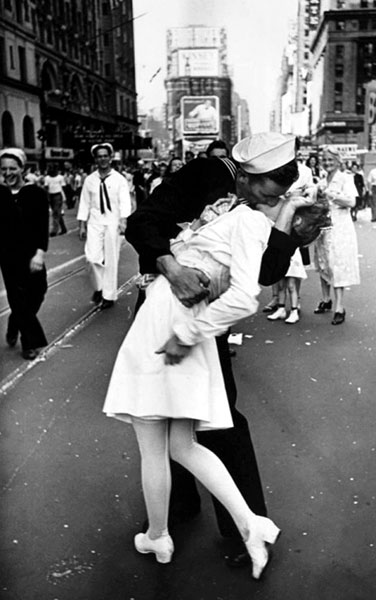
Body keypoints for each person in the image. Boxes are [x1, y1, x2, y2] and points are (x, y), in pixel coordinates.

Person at [124, 132, 302, 568]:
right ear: (245, 174)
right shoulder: (205, 173)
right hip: (169, 303)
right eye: (265, 192)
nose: (268, 200)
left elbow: (265, 275)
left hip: (204, 320)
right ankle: (175, 511)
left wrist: (289, 231)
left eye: (279, 195)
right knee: (172, 426)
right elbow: (141, 222)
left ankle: (239, 526)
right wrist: (172, 266)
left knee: (211, 419)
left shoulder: (272, 204)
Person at [0, 148, 49, 360]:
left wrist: (39, 254)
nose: (8, 173)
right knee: (17, 297)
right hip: (7, 254)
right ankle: (29, 344)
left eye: (12, 168)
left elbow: (42, 225)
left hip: (31, 253)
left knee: (38, 291)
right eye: (3, 169)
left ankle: (15, 321)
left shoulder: (36, 193)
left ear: (22, 169)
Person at [77, 143, 132, 309]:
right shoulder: (90, 180)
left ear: (110, 157)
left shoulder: (119, 179)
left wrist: (123, 221)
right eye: (99, 156)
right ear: (95, 159)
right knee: (92, 258)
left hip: (112, 222)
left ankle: (108, 295)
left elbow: (125, 201)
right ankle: (99, 287)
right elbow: (84, 203)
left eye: (105, 156)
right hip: (95, 222)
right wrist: (82, 225)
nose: (102, 159)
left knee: (111, 259)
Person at [267, 151, 316, 324]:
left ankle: (295, 305)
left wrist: (304, 193)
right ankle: (280, 305)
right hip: (276, 219)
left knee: (293, 271)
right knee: (278, 270)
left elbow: (310, 191)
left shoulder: (305, 171)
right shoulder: (274, 170)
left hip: (296, 222)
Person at [313, 147, 360, 325]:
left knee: (337, 264)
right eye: (324, 160)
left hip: (340, 227)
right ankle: (326, 299)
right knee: (323, 262)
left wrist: (331, 195)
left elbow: (352, 201)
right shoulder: (323, 180)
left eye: (330, 160)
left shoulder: (345, 178)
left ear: (338, 161)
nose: (327, 163)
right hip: (323, 226)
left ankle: (339, 307)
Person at [44, 165, 67, 236]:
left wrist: (64, 197)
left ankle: (54, 230)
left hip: (58, 195)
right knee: (57, 213)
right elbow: (46, 187)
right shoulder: (47, 178)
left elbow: (63, 187)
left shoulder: (60, 177)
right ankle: (63, 228)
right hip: (51, 195)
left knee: (55, 213)